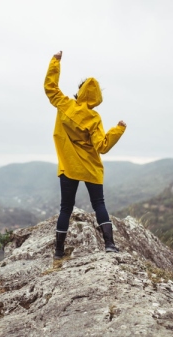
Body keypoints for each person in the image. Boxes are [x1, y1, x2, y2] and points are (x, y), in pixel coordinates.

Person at [44, 50, 127, 260]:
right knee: (99, 203)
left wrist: (55, 62)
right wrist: (117, 129)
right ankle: (109, 245)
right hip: (90, 167)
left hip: (69, 166)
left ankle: (58, 251)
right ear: (97, 97)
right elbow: (102, 146)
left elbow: (50, 88)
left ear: (79, 93)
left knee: (66, 208)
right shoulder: (94, 118)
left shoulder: (64, 105)